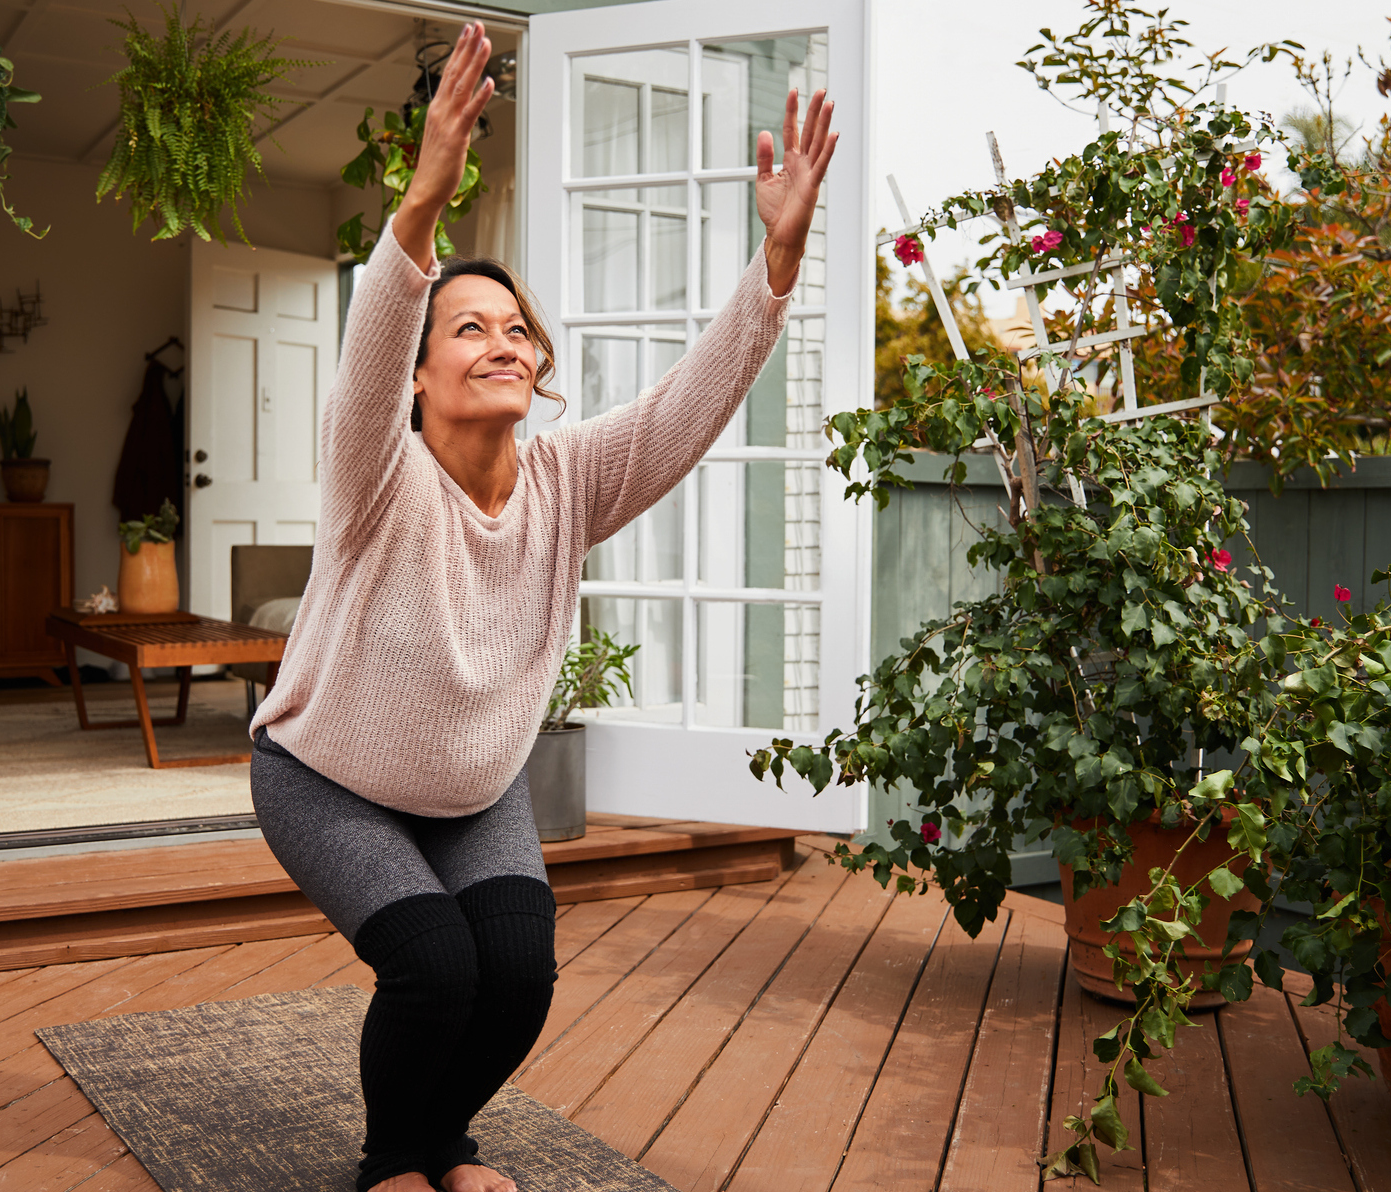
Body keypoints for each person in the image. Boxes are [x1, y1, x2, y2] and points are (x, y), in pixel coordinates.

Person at [247, 20, 838, 1192]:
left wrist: (776, 264)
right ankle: (392, 1165)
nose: (503, 342)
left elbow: (684, 409)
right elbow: (369, 349)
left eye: (517, 329)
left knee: (514, 973)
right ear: (417, 375)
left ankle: (443, 1138)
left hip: (471, 789)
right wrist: (419, 208)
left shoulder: (564, 481)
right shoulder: (376, 473)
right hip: (327, 775)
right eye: (468, 327)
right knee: (432, 966)